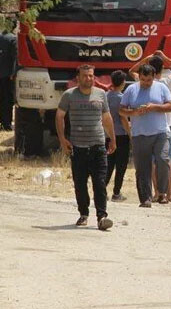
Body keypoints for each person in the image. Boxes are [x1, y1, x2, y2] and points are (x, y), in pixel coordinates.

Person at [56, 65, 116, 231]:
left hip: (98, 146)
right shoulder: (69, 95)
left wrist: (112, 138)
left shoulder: (101, 94)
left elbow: (106, 117)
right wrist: (62, 139)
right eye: (85, 76)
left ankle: (102, 217)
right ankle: (83, 213)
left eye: (91, 76)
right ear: (78, 77)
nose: (88, 79)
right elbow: (60, 116)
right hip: (78, 148)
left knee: (100, 183)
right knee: (80, 184)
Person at [129, 51, 171, 202]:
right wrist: (165, 58)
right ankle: (169, 193)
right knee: (166, 161)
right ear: (162, 68)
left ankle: (157, 192)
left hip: (154, 126)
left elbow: (131, 71)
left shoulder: (143, 82)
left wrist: (146, 59)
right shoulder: (169, 80)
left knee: (153, 162)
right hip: (166, 125)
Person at [119, 64, 171, 208]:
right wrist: (134, 113)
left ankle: (162, 193)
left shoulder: (161, 88)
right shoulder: (131, 90)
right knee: (142, 167)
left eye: (148, 80)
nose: (146, 83)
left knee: (163, 160)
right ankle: (145, 198)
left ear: (154, 77)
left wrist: (154, 107)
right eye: (143, 80)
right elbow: (121, 110)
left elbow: (170, 106)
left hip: (160, 132)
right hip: (140, 134)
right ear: (139, 77)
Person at [106, 70, 131, 202]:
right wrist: (130, 133)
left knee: (108, 164)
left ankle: (102, 190)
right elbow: (123, 118)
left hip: (108, 135)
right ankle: (116, 192)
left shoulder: (105, 96)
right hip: (121, 135)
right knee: (121, 165)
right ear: (123, 83)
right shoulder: (121, 98)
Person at [0, 22, 17, 131]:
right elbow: (15, 57)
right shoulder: (13, 39)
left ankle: (2, 122)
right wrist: (13, 73)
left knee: (1, 97)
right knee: (9, 98)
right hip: (9, 73)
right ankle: (7, 123)